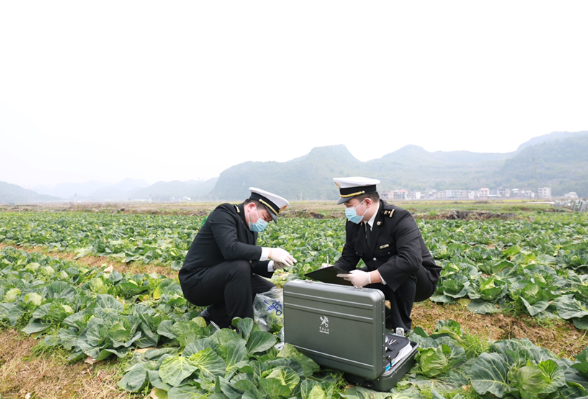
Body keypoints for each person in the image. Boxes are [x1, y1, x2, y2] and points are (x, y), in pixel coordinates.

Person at [327, 177, 441, 332]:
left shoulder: (398, 218)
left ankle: (401, 328)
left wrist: (368, 278)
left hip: (419, 282)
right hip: (381, 275)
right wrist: (331, 272)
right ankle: (385, 318)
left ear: (367, 202)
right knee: (346, 277)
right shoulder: (354, 223)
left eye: (349, 206)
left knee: (399, 264)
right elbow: (348, 258)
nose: (347, 211)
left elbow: (411, 261)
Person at [179, 188, 296, 328]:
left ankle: (214, 315)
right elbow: (230, 249)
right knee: (239, 268)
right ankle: (242, 330)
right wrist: (269, 251)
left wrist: (273, 265)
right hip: (196, 282)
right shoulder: (223, 214)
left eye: (268, 221)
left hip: (221, 278)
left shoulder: (251, 229)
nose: (265, 223)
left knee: (266, 289)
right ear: (252, 206)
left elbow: (249, 263)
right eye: (265, 218)